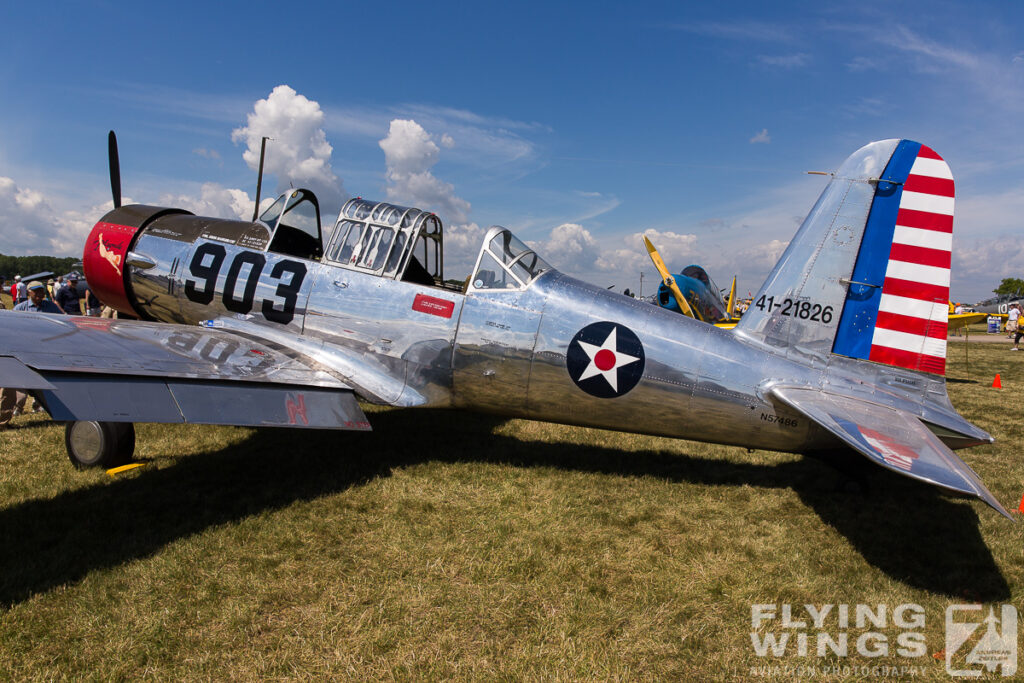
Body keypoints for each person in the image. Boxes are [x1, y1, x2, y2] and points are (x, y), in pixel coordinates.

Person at [1, 282, 63, 428]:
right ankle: (4, 419)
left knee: (48, 384)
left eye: (41, 291)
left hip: (46, 351)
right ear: (29, 293)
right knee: (12, 386)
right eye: (36, 292)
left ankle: (58, 413)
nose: (39, 294)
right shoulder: (20, 309)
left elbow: (61, 323)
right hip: (23, 352)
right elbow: (10, 329)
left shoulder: (50, 307)